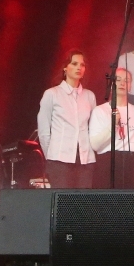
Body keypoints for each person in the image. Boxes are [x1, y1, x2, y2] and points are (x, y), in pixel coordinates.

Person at [37, 50, 97, 188]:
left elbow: (93, 128)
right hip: (59, 159)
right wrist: (51, 155)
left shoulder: (89, 96)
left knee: (83, 199)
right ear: (65, 67)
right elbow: (44, 130)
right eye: (74, 64)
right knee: (63, 198)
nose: (79, 67)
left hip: (85, 159)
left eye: (82, 65)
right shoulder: (52, 94)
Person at [90, 67, 134, 188]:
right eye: (118, 79)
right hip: (109, 163)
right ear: (111, 83)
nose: (122, 83)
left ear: (130, 86)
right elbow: (95, 145)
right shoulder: (100, 111)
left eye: (126, 80)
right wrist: (113, 124)